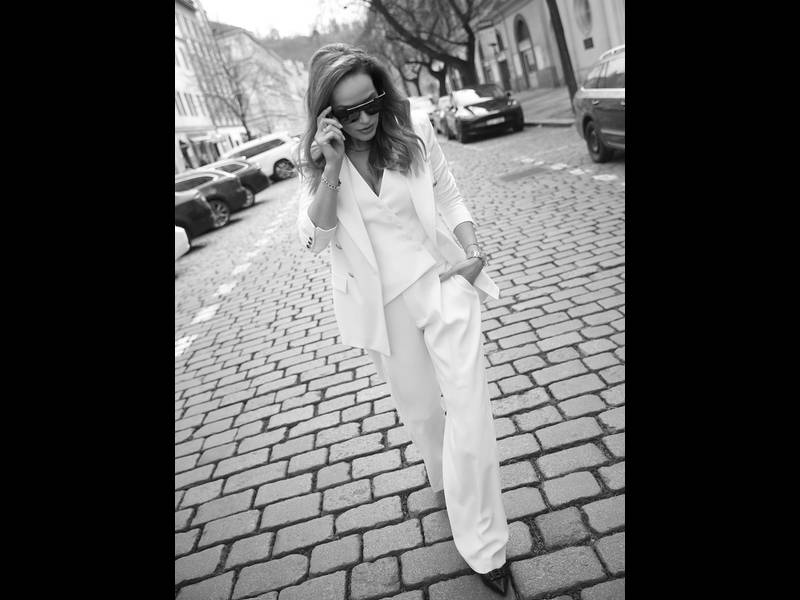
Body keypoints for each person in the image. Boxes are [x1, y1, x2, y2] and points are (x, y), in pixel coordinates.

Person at [296, 43, 511, 595]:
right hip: (384, 309)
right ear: (326, 115)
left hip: (442, 284)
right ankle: (442, 477)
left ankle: (485, 545)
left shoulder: (412, 130)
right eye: (349, 113)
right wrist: (332, 166)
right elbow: (315, 240)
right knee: (424, 415)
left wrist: (472, 251)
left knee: (470, 410)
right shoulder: (319, 164)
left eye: (371, 103)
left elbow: (448, 193)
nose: (365, 119)